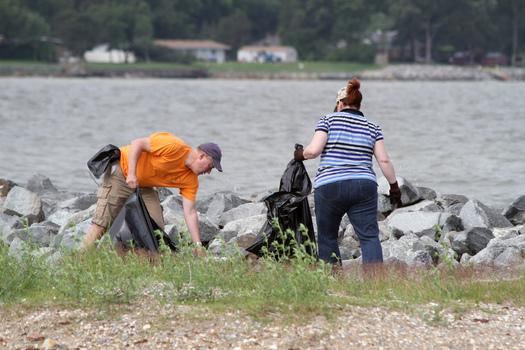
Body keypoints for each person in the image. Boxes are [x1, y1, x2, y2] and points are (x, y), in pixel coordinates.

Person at [294, 78, 401, 265]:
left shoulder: (328, 119)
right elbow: (384, 160)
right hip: (364, 186)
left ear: (339, 104)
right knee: (369, 236)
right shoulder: (373, 127)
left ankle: (333, 281)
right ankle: (375, 281)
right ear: (360, 105)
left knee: (328, 236)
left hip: (330, 186)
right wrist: (394, 187)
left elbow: (314, 151)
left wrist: (299, 155)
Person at [82, 132, 222, 255]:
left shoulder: (191, 180)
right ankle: (80, 258)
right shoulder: (173, 146)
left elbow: (190, 212)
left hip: (144, 185)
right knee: (102, 222)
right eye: (210, 166)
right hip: (122, 171)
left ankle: (135, 258)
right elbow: (137, 143)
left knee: (156, 229)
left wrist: (198, 246)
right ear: (202, 156)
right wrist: (132, 174)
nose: (209, 172)